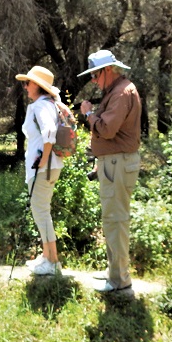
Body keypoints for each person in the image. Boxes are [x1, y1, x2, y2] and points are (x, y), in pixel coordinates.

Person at [78, 50, 141, 297]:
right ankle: (115, 272)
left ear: (107, 70)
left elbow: (106, 130)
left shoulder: (121, 93)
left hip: (117, 164)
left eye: (95, 74)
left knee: (116, 220)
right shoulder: (117, 91)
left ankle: (119, 281)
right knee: (112, 220)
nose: (93, 80)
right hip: (113, 163)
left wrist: (88, 114)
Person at [16, 66, 68, 275]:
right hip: (50, 167)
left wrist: (42, 159)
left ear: (37, 85)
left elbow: (49, 132)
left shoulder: (39, 106)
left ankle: (53, 262)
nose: (25, 87)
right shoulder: (51, 103)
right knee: (41, 210)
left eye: (27, 83)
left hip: (43, 168)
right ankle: (47, 256)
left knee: (41, 212)